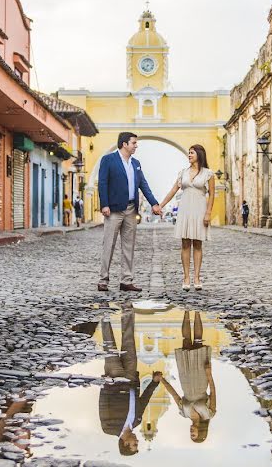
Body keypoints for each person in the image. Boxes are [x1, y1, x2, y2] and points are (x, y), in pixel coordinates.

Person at [97, 131, 161, 292]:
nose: (136, 146)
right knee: (108, 244)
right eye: (134, 143)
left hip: (131, 209)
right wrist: (104, 204)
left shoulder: (136, 163)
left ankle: (126, 280)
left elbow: (143, 184)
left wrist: (154, 203)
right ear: (124, 144)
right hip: (113, 209)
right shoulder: (108, 160)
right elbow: (102, 183)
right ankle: (103, 280)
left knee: (129, 245)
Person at [97, 302, 162, 456]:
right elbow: (144, 400)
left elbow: (102, 406)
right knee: (129, 342)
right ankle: (127, 309)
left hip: (114, 379)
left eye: (134, 444)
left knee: (109, 345)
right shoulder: (137, 421)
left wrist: (105, 385)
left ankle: (104, 309)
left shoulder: (109, 428)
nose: (137, 441)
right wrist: (154, 383)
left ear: (125, 444)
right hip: (131, 378)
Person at [158, 144, 215, 291]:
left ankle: (196, 277)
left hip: (200, 210)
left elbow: (212, 195)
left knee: (197, 244)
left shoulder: (208, 173)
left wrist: (208, 213)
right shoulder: (183, 172)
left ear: (199, 155)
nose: (189, 155)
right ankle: (186, 277)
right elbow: (173, 190)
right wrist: (161, 205)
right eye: (189, 153)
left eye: (192, 153)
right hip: (185, 210)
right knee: (185, 244)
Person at [160, 310, 216, 443]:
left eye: (191, 435)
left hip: (185, 378)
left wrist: (162, 380)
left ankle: (185, 311)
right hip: (201, 380)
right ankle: (197, 311)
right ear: (201, 432)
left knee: (185, 341)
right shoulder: (209, 414)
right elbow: (213, 392)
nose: (191, 432)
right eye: (194, 435)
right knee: (197, 341)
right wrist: (208, 374)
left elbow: (175, 395)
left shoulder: (184, 414)